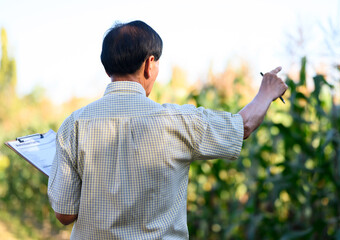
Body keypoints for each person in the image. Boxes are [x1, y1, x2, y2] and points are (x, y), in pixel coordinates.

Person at [48, 20, 288, 239]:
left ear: (107, 68)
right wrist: (266, 92)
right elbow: (242, 126)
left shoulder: (73, 126)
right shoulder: (179, 121)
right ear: (149, 64)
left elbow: (64, 214)